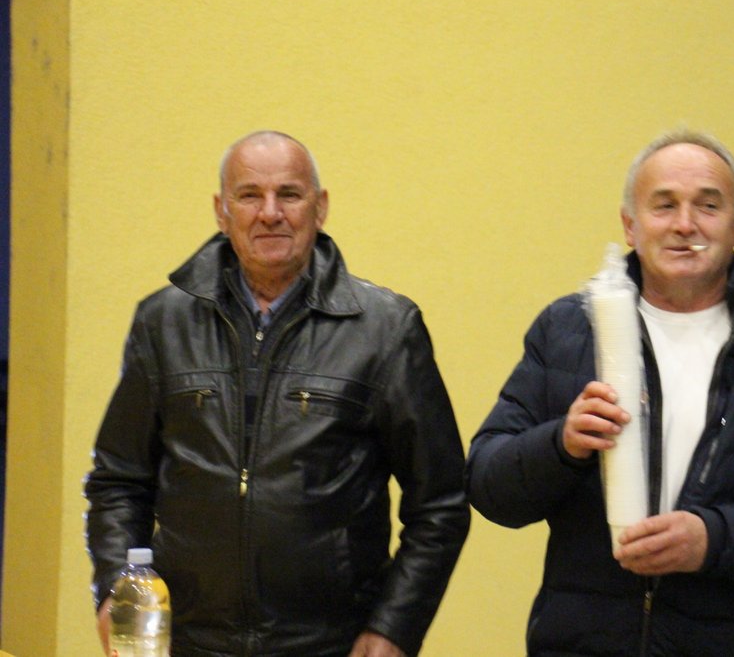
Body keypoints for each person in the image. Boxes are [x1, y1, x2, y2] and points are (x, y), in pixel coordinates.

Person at [466, 128, 734, 656]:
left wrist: (712, 539)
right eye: (664, 205)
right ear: (630, 225)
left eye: (708, 205)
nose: (685, 224)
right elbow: (487, 485)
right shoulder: (568, 331)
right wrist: (561, 444)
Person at [85, 131, 470, 657]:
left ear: (320, 207)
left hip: (330, 644)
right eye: (249, 195)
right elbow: (117, 480)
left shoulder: (385, 330)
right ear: (222, 211)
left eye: (289, 194)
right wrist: (115, 588)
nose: (270, 213)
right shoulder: (163, 323)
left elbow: (441, 503)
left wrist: (393, 627)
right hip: (188, 642)